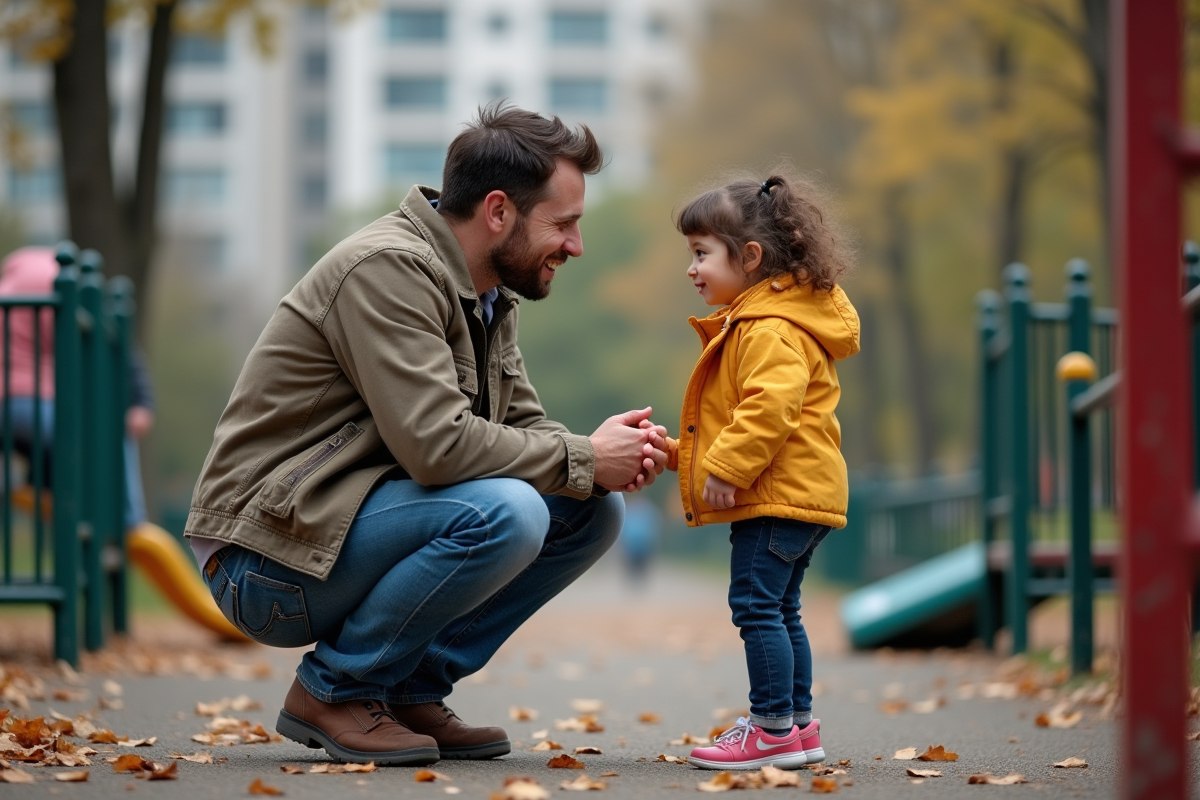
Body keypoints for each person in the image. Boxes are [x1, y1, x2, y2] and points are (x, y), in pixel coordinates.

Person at [185, 105, 670, 767]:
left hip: (336, 529)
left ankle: (408, 689)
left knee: (590, 509)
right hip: (267, 563)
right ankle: (334, 691)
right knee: (512, 510)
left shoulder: (488, 294)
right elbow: (436, 448)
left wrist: (615, 456)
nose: (575, 246)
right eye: (564, 224)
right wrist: (583, 455)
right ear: (498, 211)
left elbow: (522, 427)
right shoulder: (387, 269)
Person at [661, 172, 859, 770]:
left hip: (774, 495)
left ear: (749, 257)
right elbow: (748, 419)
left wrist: (727, 467)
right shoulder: (776, 321)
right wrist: (678, 453)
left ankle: (771, 728)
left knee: (755, 606)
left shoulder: (766, 328)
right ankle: (795, 725)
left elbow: (770, 408)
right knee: (781, 608)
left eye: (701, 254)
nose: (692, 269)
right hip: (796, 491)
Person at [0, 246, 155, 527]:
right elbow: (110, 354)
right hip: (35, 402)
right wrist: (140, 402)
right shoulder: (56, 285)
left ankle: (40, 482)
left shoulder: (10, 288)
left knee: (53, 443)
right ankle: (126, 518)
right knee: (105, 432)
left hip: (13, 409)